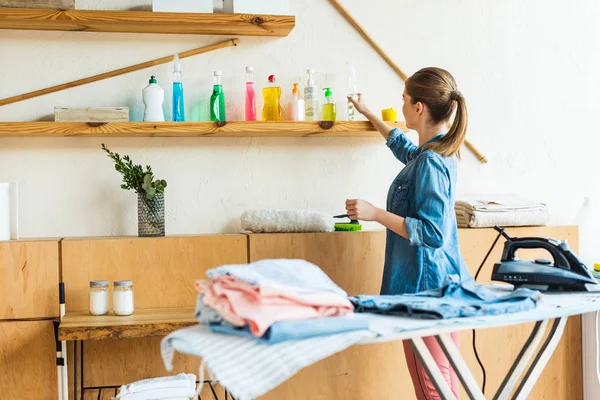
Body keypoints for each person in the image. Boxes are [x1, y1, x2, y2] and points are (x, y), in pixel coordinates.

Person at [346, 67, 471, 400]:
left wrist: (375, 214)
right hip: (442, 287)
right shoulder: (438, 154)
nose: (401, 107)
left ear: (419, 108)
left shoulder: (431, 161)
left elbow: (432, 233)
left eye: (403, 101)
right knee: (445, 385)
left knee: (432, 388)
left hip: (423, 291)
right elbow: (404, 148)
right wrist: (370, 113)